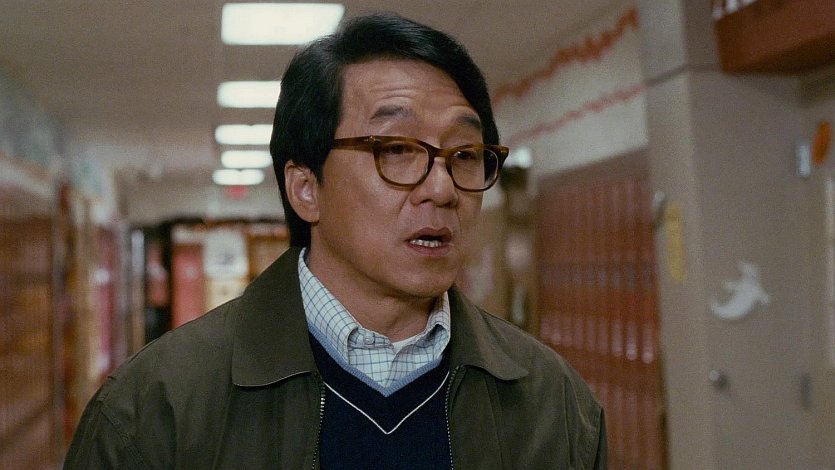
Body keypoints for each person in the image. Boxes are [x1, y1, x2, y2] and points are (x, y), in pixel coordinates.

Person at [64, 13, 606, 469]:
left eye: (464, 155)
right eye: (396, 150)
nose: (442, 189)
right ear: (306, 189)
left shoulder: (554, 405)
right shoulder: (155, 410)